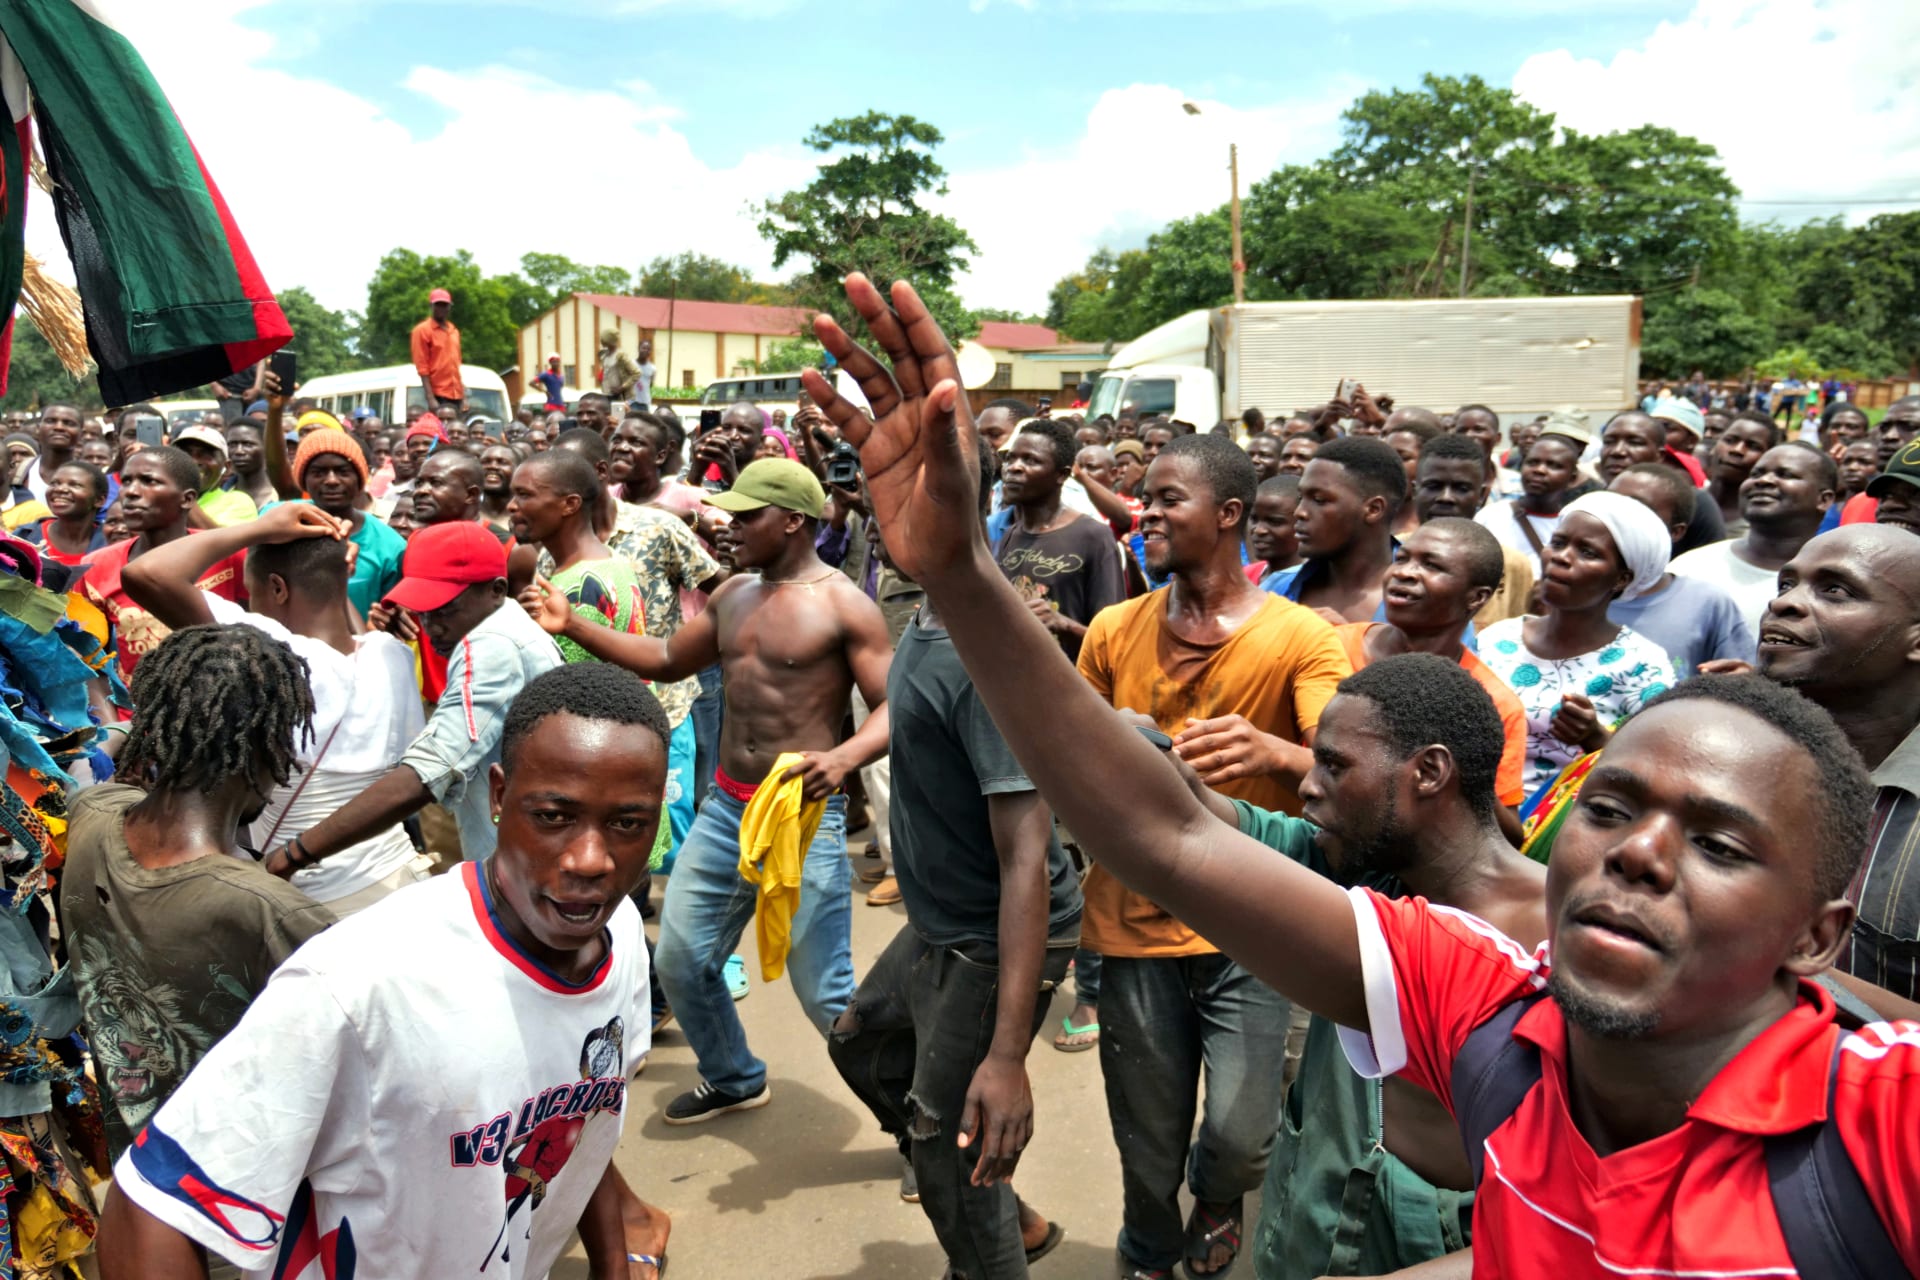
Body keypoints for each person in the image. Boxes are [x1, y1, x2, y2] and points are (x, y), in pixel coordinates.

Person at [805, 273, 1920, 1280]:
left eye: (1720, 842)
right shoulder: (1489, 1003)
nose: (1637, 850)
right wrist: (958, 570)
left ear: (1820, 936)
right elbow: (1166, 831)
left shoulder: (1881, 1130)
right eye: (1614, 804)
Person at [98, 664, 672, 1280]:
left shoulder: (622, 944)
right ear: (499, 797)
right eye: (554, 816)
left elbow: (585, 1127)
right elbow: (148, 1209)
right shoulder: (358, 983)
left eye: (627, 824)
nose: (590, 859)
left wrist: (612, 1263)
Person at [525, 458, 892, 1125]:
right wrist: (572, 623)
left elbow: (894, 705)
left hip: (803, 817)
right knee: (684, 957)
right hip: (726, 809)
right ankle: (733, 1076)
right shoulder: (733, 596)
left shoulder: (845, 605)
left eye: (748, 516)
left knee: (826, 992)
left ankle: (913, 1122)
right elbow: (666, 659)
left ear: (794, 522)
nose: (729, 526)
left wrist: (845, 756)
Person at [1071, 433, 1346, 1279]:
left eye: (1165, 498)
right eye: (1143, 497)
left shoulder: (1303, 638)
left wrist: (1276, 755)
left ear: (1228, 515)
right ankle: (1148, 1245)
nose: (1145, 511)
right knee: (1145, 1133)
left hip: (1251, 922)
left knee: (1236, 1128)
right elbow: (1069, 761)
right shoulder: (1116, 630)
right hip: (1130, 923)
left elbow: (1343, 777)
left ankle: (1220, 1195)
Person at [828, 435, 1082, 1277]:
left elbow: (1025, 856)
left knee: (951, 1149)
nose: (883, 512)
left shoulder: (987, 649)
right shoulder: (928, 613)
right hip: (942, 924)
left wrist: (1007, 1056)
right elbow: (909, 707)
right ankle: (1003, 1215)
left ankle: (987, 1245)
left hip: (986, 937)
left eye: (912, 496)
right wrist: (849, 755)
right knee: (862, 1044)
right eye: (879, 494)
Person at [61, 623, 336, 1159]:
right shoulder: (273, 913)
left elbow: (108, 755)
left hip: (136, 1175)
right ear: (270, 747)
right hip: (242, 1206)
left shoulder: (87, 818)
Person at [121, 503, 429, 915]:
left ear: (278, 589)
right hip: (398, 882)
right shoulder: (390, 654)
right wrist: (335, 567)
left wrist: (258, 528)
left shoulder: (273, 654)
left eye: (253, 594)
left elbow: (147, 573)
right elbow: (342, 625)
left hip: (312, 897)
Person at [269, 519, 563, 870]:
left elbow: (428, 771)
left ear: (497, 590)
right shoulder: (506, 626)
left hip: (528, 865)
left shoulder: (492, 645)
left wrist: (296, 853)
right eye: (423, 611)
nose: (431, 624)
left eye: (445, 608)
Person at [1759, 524, 1920, 1003]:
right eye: (1786, 584)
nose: (1784, 604)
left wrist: (1767, 979)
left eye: (1835, 590)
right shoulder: (1729, 757)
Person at [1333, 519, 1530, 831]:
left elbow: (1508, 837)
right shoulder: (1328, 648)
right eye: (1401, 558)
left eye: (1432, 565)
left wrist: (1463, 768)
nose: (1404, 573)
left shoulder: (1494, 703)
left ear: (1476, 598)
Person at [1478, 491, 1675, 797]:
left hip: (1557, 831)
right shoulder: (1496, 639)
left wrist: (1595, 738)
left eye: (1587, 552)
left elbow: (1654, 773)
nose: (1561, 557)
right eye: (1558, 543)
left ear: (1621, 579)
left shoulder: (1641, 665)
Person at [80, 446, 248, 685]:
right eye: (126, 481)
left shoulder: (229, 557)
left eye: (149, 481)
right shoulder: (96, 566)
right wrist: (112, 722)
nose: (130, 492)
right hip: (133, 717)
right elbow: (88, 660)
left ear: (188, 498)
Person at [1604, 464, 1755, 677]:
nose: (1615, 517)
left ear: (1675, 532)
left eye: (1637, 508)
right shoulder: (1569, 592)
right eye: (1607, 504)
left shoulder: (1707, 603)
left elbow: (1739, 680)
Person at [994, 417, 1125, 662]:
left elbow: (1114, 642)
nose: (1014, 467)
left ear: (1061, 475)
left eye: (1030, 460)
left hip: (1072, 690)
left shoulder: (1092, 536)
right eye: (1010, 458)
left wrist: (1062, 624)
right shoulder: (1009, 536)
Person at [1671, 442, 1836, 635]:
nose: (1764, 481)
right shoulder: (1690, 566)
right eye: (1756, 474)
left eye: (1785, 475)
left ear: (1823, 500)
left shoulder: (1833, 588)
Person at [1262, 436, 1404, 624]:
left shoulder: (1425, 598)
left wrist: (1352, 642)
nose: (1299, 512)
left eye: (1319, 500)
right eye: (1300, 498)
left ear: (1373, 509)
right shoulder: (1276, 588)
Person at [1411, 433, 1534, 629]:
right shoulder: (1389, 553)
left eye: (1461, 488)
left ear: (1482, 495)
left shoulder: (1512, 566)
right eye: (1433, 486)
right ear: (1415, 490)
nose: (1446, 498)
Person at [1472, 415, 1589, 579]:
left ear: (1572, 477)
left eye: (1554, 465)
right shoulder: (1492, 515)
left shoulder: (1574, 526)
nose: (1539, 470)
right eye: (1532, 462)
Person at [1596, 408, 1725, 553]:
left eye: (1635, 443)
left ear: (1660, 455)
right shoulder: (1591, 502)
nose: (1617, 451)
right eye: (1608, 442)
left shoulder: (1696, 503)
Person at [17, 460, 110, 573]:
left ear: (99, 500)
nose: (60, 489)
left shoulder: (110, 542)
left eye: (75, 485)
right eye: (55, 483)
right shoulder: (23, 537)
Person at [1703, 410, 1778, 535]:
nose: (1737, 450)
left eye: (1753, 446)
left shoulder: (1760, 528)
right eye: (1730, 440)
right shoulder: (1685, 499)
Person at [171, 424, 258, 526]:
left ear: (227, 467)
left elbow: (220, 539)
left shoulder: (238, 502)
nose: (194, 461)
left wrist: (178, 492)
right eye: (185, 453)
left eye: (206, 454)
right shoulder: (161, 498)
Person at [1450, 404, 1522, 499]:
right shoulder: (1439, 484)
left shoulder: (1519, 484)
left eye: (1478, 430)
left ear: (1497, 438)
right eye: (1462, 431)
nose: (1468, 435)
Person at [411, 287, 465, 414]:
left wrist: (464, 396)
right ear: (431, 306)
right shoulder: (422, 330)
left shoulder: (453, 331)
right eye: (438, 305)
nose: (441, 308)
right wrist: (430, 398)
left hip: (456, 394)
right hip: (438, 394)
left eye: (444, 305)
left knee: (455, 431)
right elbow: (422, 366)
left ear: (449, 307)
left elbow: (456, 366)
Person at [1244, 474, 1301, 582]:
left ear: (1302, 524)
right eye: (1254, 519)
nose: (1258, 530)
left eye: (1275, 522)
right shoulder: (1246, 577)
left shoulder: (1313, 585)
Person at [25, 401, 81, 501]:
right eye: (50, 421)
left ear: (81, 432)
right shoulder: (20, 473)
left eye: (69, 423)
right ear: (38, 429)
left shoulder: (90, 476)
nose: (59, 427)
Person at [220, 419, 278, 512]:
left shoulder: (282, 496)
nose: (239, 451)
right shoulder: (220, 496)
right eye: (232, 444)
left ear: (266, 447)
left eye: (247, 444)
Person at [479, 441, 519, 538]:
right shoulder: (465, 516)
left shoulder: (527, 519)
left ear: (518, 470)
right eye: (486, 462)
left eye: (502, 462)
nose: (493, 466)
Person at [598, 330, 640, 403]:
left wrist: (622, 387)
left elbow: (636, 373)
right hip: (605, 395)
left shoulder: (621, 356)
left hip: (618, 397)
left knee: (618, 414)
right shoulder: (605, 356)